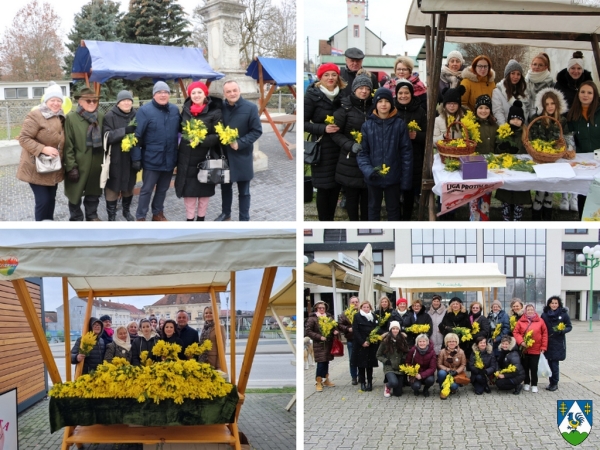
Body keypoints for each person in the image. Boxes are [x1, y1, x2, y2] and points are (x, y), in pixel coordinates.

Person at [357, 87, 413, 221]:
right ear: (375, 104)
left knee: (393, 209)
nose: (383, 104)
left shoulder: (399, 124)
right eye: (380, 101)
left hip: (393, 177)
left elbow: (406, 153)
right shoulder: (367, 126)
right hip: (373, 177)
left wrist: (405, 180)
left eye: (386, 101)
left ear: (391, 104)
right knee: (373, 207)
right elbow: (362, 153)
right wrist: (369, 171)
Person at [214, 80, 263, 221]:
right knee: (225, 187)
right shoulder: (220, 108)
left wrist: (240, 143)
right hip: (224, 155)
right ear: (224, 94)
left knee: (244, 190)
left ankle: (244, 218)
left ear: (239, 90)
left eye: (234, 90)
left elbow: (256, 131)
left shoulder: (250, 108)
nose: (232, 93)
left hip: (242, 155)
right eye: (228, 91)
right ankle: (226, 213)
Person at [132, 81, 180, 221]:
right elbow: (136, 136)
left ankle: (157, 213)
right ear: (154, 95)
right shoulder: (145, 111)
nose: (163, 95)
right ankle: (141, 216)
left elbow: (181, 130)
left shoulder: (174, 110)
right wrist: (136, 158)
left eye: (165, 92)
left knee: (163, 189)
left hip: (169, 158)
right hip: (152, 158)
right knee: (146, 189)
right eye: (159, 92)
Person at [17, 83, 65, 221]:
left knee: (51, 199)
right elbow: (23, 138)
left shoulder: (61, 116)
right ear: (46, 101)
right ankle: (39, 229)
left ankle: (49, 224)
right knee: (43, 201)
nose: (56, 103)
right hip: (36, 167)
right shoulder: (35, 115)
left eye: (59, 100)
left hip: (53, 167)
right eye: (52, 100)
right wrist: (43, 149)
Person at [174, 81, 221, 221]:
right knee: (188, 191)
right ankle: (189, 219)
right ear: (190, 95)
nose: (196, 95)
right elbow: (180, 129)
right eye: (193, 93)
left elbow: (218, 135)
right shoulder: (186, 110)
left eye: (199, 92)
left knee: (204, 190)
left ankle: (201, 219)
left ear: (205, 94)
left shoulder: (215, 112)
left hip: (204, 157)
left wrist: (201, 140)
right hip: (186, 157)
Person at [304, 63, 344, 221]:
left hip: (339, 147)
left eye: (333, 75)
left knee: (335, 186)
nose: (330, 78)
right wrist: (323, 129)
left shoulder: (343, 95)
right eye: (326, 75)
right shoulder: (312, 96)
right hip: (322, 147)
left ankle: (331, 219)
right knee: (323, 187)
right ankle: (324, 220)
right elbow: (304, 122)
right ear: (320, 77)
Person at [332, 73, 373, 221]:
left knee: (367, 199)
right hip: (350, 161)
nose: (364, 91)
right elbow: (336, 133)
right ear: (354, 89)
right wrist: (350, 145)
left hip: (369, 160)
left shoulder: (374, 107)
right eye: (361, 88)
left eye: (367, 88)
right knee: (352, 199)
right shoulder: (345, 108)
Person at [63, 88, 104, 221]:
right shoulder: (71, 118)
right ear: (80, 102)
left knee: (94, 193)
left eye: (95, 100)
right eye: (88, 100)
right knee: (75, 194)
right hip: (79, 164)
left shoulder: (101, 116)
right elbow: (68, 145)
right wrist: (71, 167)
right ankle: (76, 218)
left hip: (96, 163)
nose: (92, 103)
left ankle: (92, 216)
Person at [530, 88, 570, 220]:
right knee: (542, 187)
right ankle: (537, 209)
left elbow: (567, 138)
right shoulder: (537, 119)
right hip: (540, 158)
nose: (550, 107)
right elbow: (532, 138)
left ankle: (548, 211)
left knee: (551, 187)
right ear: (542, 105)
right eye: (547, 104)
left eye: (552, 103)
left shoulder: (562, 121)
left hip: (556, 158)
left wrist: (564, 146)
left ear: (557, 104)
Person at [394, 79, 428, 220]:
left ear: (411, 94)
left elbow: (427, 135)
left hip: (414, 156)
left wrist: (416, 136)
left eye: (406, 93)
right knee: (394, 190)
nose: (403, 96)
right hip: (395, 156)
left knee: (409, 188)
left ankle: (407, 217)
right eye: (400, 93)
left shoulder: (420, 111)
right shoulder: (392, 109)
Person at [101, 90, 137, 221]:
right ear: (118, 103)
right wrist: (124, 131)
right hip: (115, 157)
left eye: (129, 100)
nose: (127, 103)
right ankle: (112, 215)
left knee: (129, 186)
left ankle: (126, 211)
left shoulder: (136, 115)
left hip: (131, 157)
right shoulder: (110, 116)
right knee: (113, 188)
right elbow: (107, 136)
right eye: (123, 100)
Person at [567, 81, 600, 216]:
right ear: (578, 94)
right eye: (583, 92)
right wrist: (569, 148)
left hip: (599, 159)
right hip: (582, 162)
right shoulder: (572, 115)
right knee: (584, 193)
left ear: (595, 95)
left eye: (589, 93)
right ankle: (583, 220)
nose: (585, 95)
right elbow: (570, 138)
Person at [494, 100, 530, 221]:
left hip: (521, 172)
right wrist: (502, 148)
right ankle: (506, 218)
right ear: (509, 119)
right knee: (506, 198)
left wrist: (518, 152)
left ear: (522, 120)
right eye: (513, 118)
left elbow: (529, 151)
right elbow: (497, 150)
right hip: (506, 172)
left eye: (519, 118)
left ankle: (517, 218)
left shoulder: (525, 134)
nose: (516, 121)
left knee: (519, 198)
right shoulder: (504, 132)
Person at [470, 94, 498, 221]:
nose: (483, 110)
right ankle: (474, 220)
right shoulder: (471, 125)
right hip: (474, 165)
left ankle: (485, 219)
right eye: (480, 107)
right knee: (474, 197)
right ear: (476, 109)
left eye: (486, 108)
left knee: (486, 196)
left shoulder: (494, 126)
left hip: (490, 166)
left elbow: (497, 144)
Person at [513, 303, 548, 393]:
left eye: (531, 309)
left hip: (536, 348)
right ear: (525, 311)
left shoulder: (540, 321)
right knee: (525, 367)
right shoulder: (521, 321)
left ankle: (534, 384)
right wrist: (521, 342)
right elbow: (516, 333)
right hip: (524, 349)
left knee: (534, 368)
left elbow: (544, 334)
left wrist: (543, 346)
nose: (530, 311)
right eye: (528, 310)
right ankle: (526, 383)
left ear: (534, 310)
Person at [305, 300, 339, 392]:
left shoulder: (329, 317)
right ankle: (318, 381)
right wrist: (319, 337)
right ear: (316, 308)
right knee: (320, 363)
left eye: (323, 308)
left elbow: (334, 326)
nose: (321, 309)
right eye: (320, 308)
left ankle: (326, 380)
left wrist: (334, 331)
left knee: (326, 362)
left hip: (328, 343)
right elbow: (308, 331)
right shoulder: (312, 318)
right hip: (318, 344)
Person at [541, 296, 572, 391]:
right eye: (552, 303)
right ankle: (551, 382)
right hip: (548, 342)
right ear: (549, 304)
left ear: (559, 304)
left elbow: (569, 326)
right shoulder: (544, 314)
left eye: (556, 303)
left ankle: (554, 383)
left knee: (554, 364)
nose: (554, 305)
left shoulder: (563, 315)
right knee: (549, 363)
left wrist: (562, 330)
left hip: (558, 342)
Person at [351, 300, 380, 391]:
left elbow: (377, 329)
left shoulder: (374, 316)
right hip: (360, 345)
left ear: (370, 308)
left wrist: (371, 340)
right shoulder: (357, 316)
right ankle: (363, 383)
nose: (366, 309)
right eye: (364, 307)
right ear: (361, 308)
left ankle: (370, 383)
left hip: (371, 344)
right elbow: (355, 331)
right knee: (361, 365)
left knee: (369, 365)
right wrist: (362, 342)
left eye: (368, 307)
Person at [376, 320, 409, 397]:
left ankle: (396, 385)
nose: (395, 330)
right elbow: (378, 355)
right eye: (393, 328)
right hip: (389, 367)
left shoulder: (403, 340)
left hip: (399, 367)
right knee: (394, 383)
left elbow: (407, 351)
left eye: (397, 328)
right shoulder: (385, 341)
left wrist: (404, 358)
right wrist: (385, 360)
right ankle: (387, 386)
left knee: (398, 393)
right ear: (390, 330)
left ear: (399, 330)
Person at [492, 59, 529, 126]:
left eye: (518, 74)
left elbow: (527, 111)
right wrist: (505, 131)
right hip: (506, 131)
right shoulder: (497, 92)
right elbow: (498, 112)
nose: (516, 77)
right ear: (507, 74)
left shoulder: (524, 91)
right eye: (513, 73)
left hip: (521, 131)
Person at [437, 333, 467, 399]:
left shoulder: (461, 352)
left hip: (456, 373)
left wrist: (456, 372)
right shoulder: (442, 352)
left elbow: (463, 364)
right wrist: (448, 370)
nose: (451, 343)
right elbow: (439, 364)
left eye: (453, 341)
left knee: (453, 386)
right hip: (446, 371)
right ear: (446, 342)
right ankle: (442, 389)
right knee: (441, 373)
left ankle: (452, 389)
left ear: (456, 342)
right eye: (449, 341)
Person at [525, 53, 554, 120]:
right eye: (534, 64)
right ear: (531, 65)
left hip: (545, 117)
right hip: (528, 117)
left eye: (540, 65)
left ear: (546, 67)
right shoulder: (525, 82)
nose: (537, 67)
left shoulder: (550, 83)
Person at [337, 296, 359, 385]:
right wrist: (347, 328)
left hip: (361, 340)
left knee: (361, 359)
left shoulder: (362, 311)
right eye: (353, 302)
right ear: (350, 303)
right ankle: (354, 377)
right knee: (352, 359)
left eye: (356, 302)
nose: (355, 303)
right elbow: (339, 325)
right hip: (351, 339)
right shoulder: (345, 313)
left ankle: (361, 376)